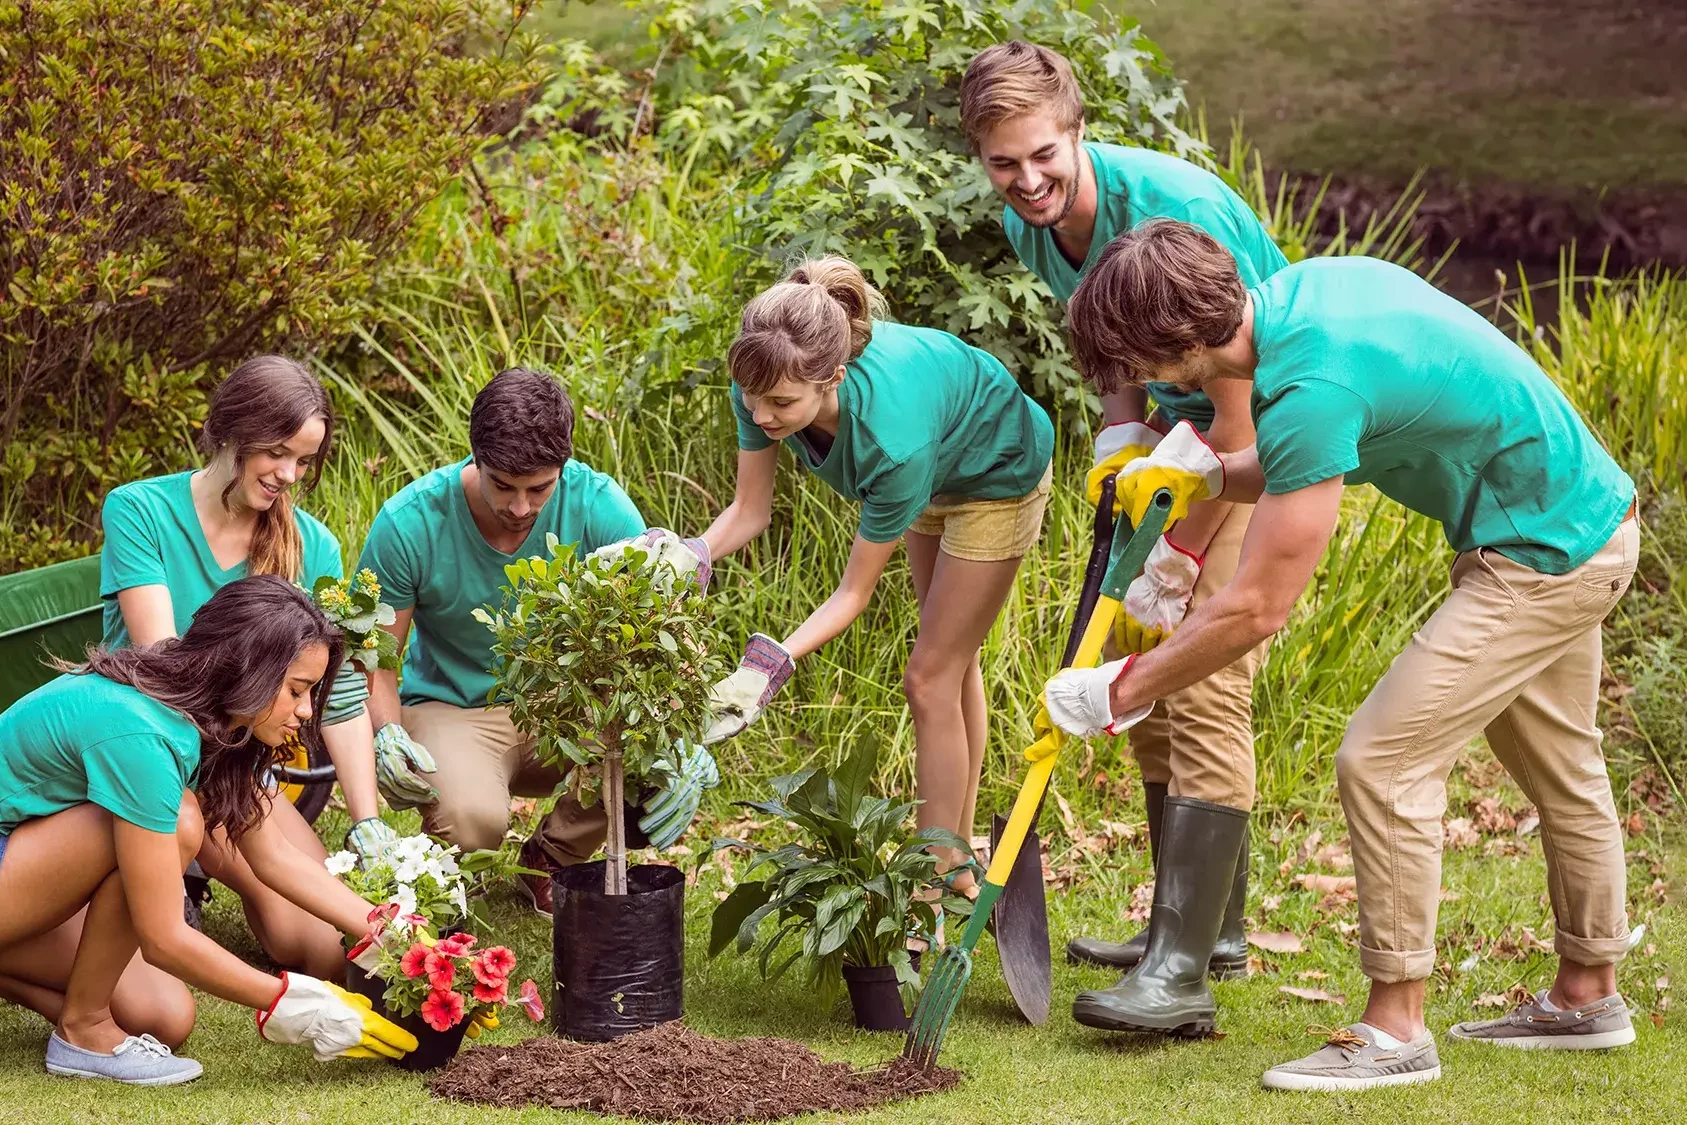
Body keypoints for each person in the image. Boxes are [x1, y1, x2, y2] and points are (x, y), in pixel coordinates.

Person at [1047, 220, 1639, 1088]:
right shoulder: (1305, 300)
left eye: (1140, 363)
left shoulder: (1311, 382)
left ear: (1178, 344)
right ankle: (1588, 996)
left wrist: (1120, 686)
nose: (1141, 383)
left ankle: (1394, 1027)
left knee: (1381, 759)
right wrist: (1208, 472)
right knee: (1562, 769)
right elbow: (1299, 457)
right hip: (1584, 519)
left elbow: (1256, 606)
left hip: (1542, 558)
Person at [960, 40, 1291, 975]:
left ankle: (1201, 951)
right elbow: (1108, 345)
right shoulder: (1037, 220)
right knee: (1141, 676)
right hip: (1179, 436)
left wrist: (1178, 555)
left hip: (1258, 436)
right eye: (1002, 164)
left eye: (1042, 156)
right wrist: (1122, 439)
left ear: (1076, 132)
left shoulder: (1170, 208)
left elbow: (1239, 402)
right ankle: (1176, 927)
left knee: (1203, 674)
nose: (1026, 181)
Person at [697, 256, 1055, 901]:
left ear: (833, 377)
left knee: (929, 676)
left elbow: (853, 593)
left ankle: (937, 872)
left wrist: (767, 665)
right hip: (938, 458)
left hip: (996, 473)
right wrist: (688, 553)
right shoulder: (760, 377)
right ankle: (957, 852)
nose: (763, 415)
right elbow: (749, 513)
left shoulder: (891, 444)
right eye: (753, 399)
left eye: (781, 404)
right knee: (950, 660)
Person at [0, 576, 417, 1084]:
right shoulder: (142, 730)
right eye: (296, 691)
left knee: (163, 1017)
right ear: (248, 669)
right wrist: (293, 1001)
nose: (306, 712)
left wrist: (391, 931)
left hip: (23, 872)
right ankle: (83, 1030)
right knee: (180, 823)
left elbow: (275, 856)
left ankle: (80, 1018)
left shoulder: (215, 716)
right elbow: (164, 938)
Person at [358, 367, 712, 917]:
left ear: (563, 468)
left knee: (646, 762)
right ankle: (461, 859)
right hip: (454, 707)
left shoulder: (602, 509)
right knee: (473, 822)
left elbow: (655, 647)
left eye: (539, 488)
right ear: (473, 457)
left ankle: (553, 857)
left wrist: (685, 747)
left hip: (564, 708)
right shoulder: (409, 522)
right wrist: (385, 733)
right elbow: (378, 659)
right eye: (502, 485)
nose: (521, 507)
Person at [96, 355, 387, 982]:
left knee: (311, 943)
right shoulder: (139, 511)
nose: (288, 474)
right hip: (161, 752)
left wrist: (368, 823)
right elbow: (167, 665)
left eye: (304, 461)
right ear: (231, 430)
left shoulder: (312, 546)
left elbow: (335, 698)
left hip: (236, 764)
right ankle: (162, 882)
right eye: (276, 452)